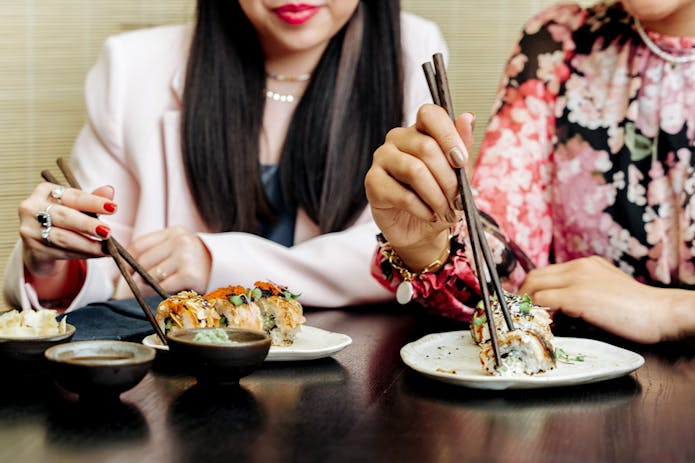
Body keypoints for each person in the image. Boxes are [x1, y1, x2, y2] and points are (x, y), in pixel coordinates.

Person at [4, 0, 448, 312]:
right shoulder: (131, 67)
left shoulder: (414, 53)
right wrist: (51, 263)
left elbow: (402, 253)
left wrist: (214, 262)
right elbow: (113, 264)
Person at [366, 0, 695, 343]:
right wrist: (427, 245)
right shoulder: (559, 41)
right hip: (579, 386)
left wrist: (673, 310)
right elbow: (508, 288)